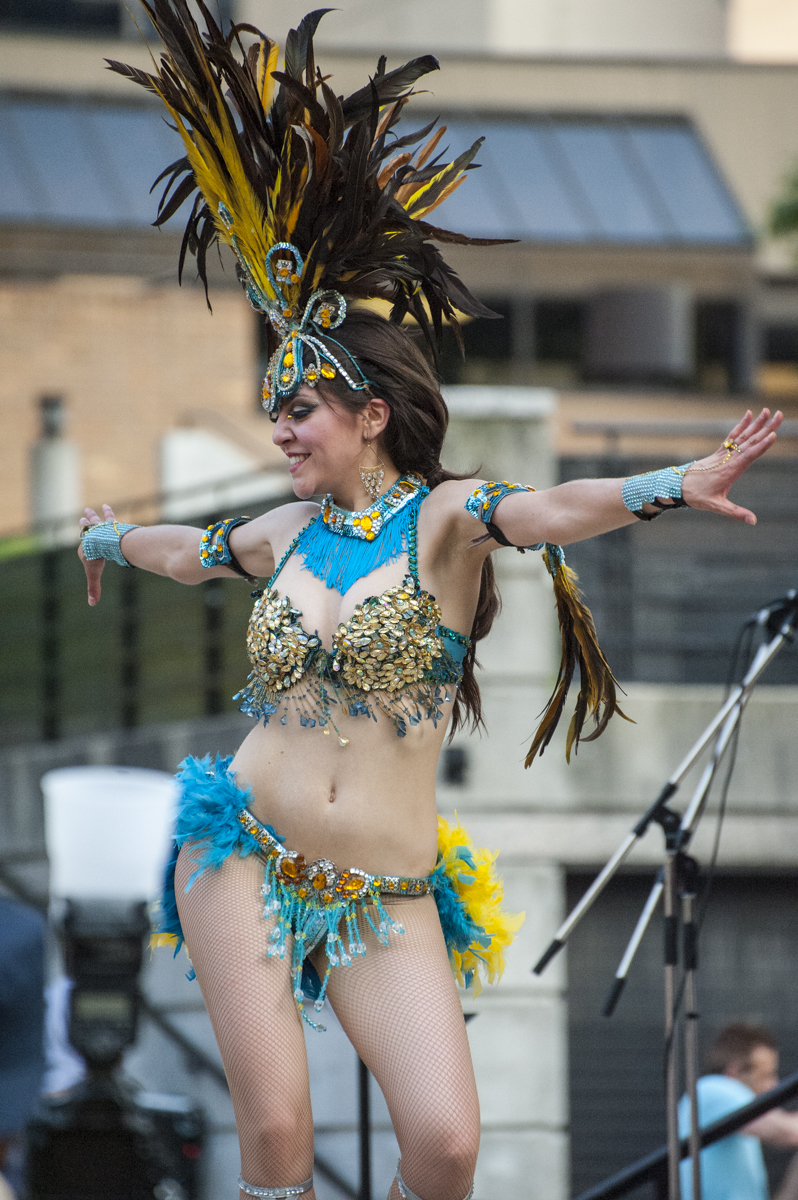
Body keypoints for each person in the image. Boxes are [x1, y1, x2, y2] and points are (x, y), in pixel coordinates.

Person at [78, 5, 783, 1198]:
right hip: (242, 846)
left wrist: (674, 480)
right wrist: (101, 532)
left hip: (387, 887)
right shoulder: (284, 529)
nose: (280, 427)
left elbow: (559, 507)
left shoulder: (448, 520)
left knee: (448, 1152)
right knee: (277, 1142)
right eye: (275, 409)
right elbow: (187, 551)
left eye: (301, 410)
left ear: (372, 416)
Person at [679, 1023, 798, 1200]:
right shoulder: (714, 1088)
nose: (773, 1084)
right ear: (734, 1070)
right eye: (764, 1075)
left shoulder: (734, 1115)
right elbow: (788, 1132)